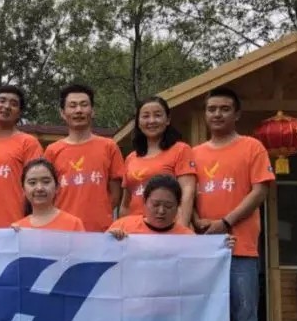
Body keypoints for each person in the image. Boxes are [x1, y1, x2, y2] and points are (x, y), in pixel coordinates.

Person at [192, 86, 275, 321]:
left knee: (244, 317)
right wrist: (197, 221)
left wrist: (225, 222)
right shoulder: (195, 153)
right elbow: (188, 193)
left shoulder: (252, 147)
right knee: (207, 318)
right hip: (202, 250)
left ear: (237, 114)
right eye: (212, 109)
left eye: (224, 108)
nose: (217, 114)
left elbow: (259, 191)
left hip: (241, 248)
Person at [44, 83, 124, 232]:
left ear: (92, 111)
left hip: (99, 232)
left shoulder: (109, 146)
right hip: (62, 231)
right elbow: (47, 193)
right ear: (62, 113)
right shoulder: (52, 151)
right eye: (72, 106)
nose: (79, 110)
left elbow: (115, 195)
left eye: (84, 105)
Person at [122, 97, 197, 227]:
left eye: (157, 115)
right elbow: (125, 204)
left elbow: (187, 193)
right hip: (134, 229)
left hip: (166, 229)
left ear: (167, 120)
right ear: (138, 122)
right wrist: (122, 227)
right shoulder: (131, 158)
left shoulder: (181, 150)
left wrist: (181, 228)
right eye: (145, 116)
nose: (151, 121)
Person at [0, 85, 44, 227]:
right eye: (2, 101)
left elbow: (38, 186)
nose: (6, 106)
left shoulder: (28, 143)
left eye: (13, 104)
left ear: (19, 113)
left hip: (17, 226)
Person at [11, 158, 85, 231]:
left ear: (57, 187)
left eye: (46, 182)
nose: (39, 188)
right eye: (32, 183)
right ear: (23, 189)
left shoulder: (73, 224)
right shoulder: (18, 229)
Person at [110, 174, 196, 237]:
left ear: (178, 206)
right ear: (145, 201)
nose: (161, 211)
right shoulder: (122, 226)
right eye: (155, 204)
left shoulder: (187, 237)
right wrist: (110, 238)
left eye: (168, 206)